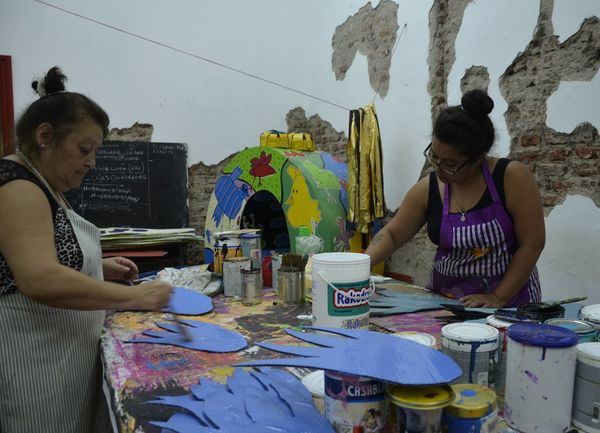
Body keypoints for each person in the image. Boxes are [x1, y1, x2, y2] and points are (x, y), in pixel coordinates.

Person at [0, 67, 172, 433]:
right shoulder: (18, 186)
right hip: (34, 371)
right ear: (45, 137)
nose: (92, 163)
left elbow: (36, 256)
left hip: (61, 363)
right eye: (84, 150)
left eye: (95, 152)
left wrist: (97, 267)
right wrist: (134, 297)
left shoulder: (46, 186)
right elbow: (38, 278)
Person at [365, 89, 544, 308]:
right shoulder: (428, 189)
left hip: (508, 305)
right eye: (434, 156)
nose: (438, 167)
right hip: (448, 303)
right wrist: (358, 266)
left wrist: (498, 297)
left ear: (477, 158)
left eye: (450, 164)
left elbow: (532, 244)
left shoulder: (510, 178)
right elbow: (392, 235)